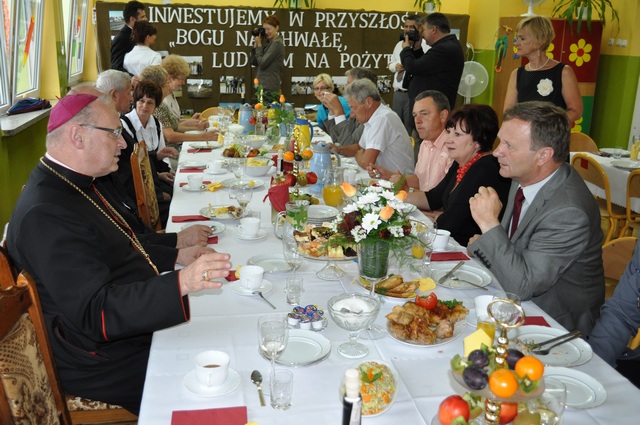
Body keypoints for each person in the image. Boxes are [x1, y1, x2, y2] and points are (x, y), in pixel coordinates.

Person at [5, 92, 231, 414]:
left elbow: (123, 246)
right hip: (98, 357)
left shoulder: (81, 183)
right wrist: (181, 283)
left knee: (221, 333)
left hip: (121, 328)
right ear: (78, 136)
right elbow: (96, 313)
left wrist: (175, 257)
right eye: (114, 133)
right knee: (214, 381)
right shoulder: (46, 213)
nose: (123, 143)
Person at [468, 101, 603, 336]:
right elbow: (512, 249)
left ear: (543, 156)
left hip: (555, 325)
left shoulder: (568, 212)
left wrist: (489, 224)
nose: (497, 151)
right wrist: (486, 242)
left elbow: (522, 286)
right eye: (500, 141)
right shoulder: (524, 176)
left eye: (509, 145)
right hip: (513, 294)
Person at [404, 104, 510, 246]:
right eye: (449, 132)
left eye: (457, 135)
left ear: (479, 140)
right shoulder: (462, 162)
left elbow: (447, 224)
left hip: (468, 249)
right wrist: (394, 197)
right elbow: (433, 198)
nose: (448, 140)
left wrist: (438, 218)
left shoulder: (485, 168)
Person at [369, 90, 453, 192]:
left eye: (424, 114)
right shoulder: (425, 144)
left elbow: (445, 196)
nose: (417, 121)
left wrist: (408, 192)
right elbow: (419, 181)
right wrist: (387, 175)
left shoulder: (453, 148)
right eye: (415, 115)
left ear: (443, 116)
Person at [504, 16, 583, 123]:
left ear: (540, 40)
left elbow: (575, 111)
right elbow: (508, 112)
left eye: (522, 38)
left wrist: (549, 125)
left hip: (552, 132)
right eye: (516, 38)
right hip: (523, 132)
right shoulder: (516, 74)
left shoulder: (564, 72)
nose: (516, 43)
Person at [121, 81, 176, 226]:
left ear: (156, 106)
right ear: (135, 101)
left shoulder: (156, 124)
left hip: (154, 178)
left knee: (179, 190)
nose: (145, 106)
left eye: (150, 102)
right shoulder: (125, 125)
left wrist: (167, 169)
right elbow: (132, 166)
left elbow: (160, 156)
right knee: (173, 201)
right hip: (139, 186)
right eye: (141, 101)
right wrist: (158, 181)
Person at [333, 79, 414, 173]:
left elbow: (367, 163)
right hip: (385, 177)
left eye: (354, 108)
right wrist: (339, 149)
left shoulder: (382, 118)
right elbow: (360, 148)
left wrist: (358, 156)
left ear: (368, 102)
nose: (352, 114)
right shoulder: (374, 117)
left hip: (399, 180)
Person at [400, 12, 464, 114]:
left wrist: (406, 49)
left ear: (433, 29)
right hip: (428, 110)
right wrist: (417, 49)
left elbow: (412, 67)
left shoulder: (444, 48)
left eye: (423, 30)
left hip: (433, 112)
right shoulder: (446, 46)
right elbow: (425, 67)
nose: (421, 35)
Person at [139, 65, 217, 144]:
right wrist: (203, 137)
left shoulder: (160, 104)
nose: (169, 85)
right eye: (167, 82)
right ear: (159, 86)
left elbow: (174, 127)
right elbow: (170, 136)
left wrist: (197, 127)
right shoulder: (158, 107)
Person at [388, 14, 428, 135]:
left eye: (411, 27)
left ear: (419, 28)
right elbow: (390, 65)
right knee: (395, 128)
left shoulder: (424, 45)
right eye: (406, 26)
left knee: (411, 128)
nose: (408, 30)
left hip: (413, 93)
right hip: (398, 93)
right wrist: (395, 66)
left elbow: (421, 66)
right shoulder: (399, 45)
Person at [322, 67, 378, 148]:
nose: (345, 87)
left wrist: (339, 112)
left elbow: (348, 146)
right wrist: (332, 111)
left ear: (361, 87)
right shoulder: (358, 105)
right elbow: (337, 141)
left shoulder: (371, 111)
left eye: (348, 83)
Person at [161, 55, 208, 133]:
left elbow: (173, 122)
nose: (183, 83)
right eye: (181, 79)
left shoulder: (171, 94)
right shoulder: (162, 99)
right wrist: (195, 127)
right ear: (169, 78)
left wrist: (191, 120)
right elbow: (169, 131)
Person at [251, 14, 285, 103]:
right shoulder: (268, 44)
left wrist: (259, 45)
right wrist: (256, 45)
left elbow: (262, 63)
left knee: (267, 111)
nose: (266, 32)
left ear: (277, 28)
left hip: (269, 88)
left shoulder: (277, 44)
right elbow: (254, 61)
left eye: (269, 29)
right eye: (264, 29)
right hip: (262, 87)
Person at [110, 1, 146, 72]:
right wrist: (133, 77)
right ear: (132, 19)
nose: (146, 19)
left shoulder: (138, 34)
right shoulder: (121, 39)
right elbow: (116, 67)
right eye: (142, 17)